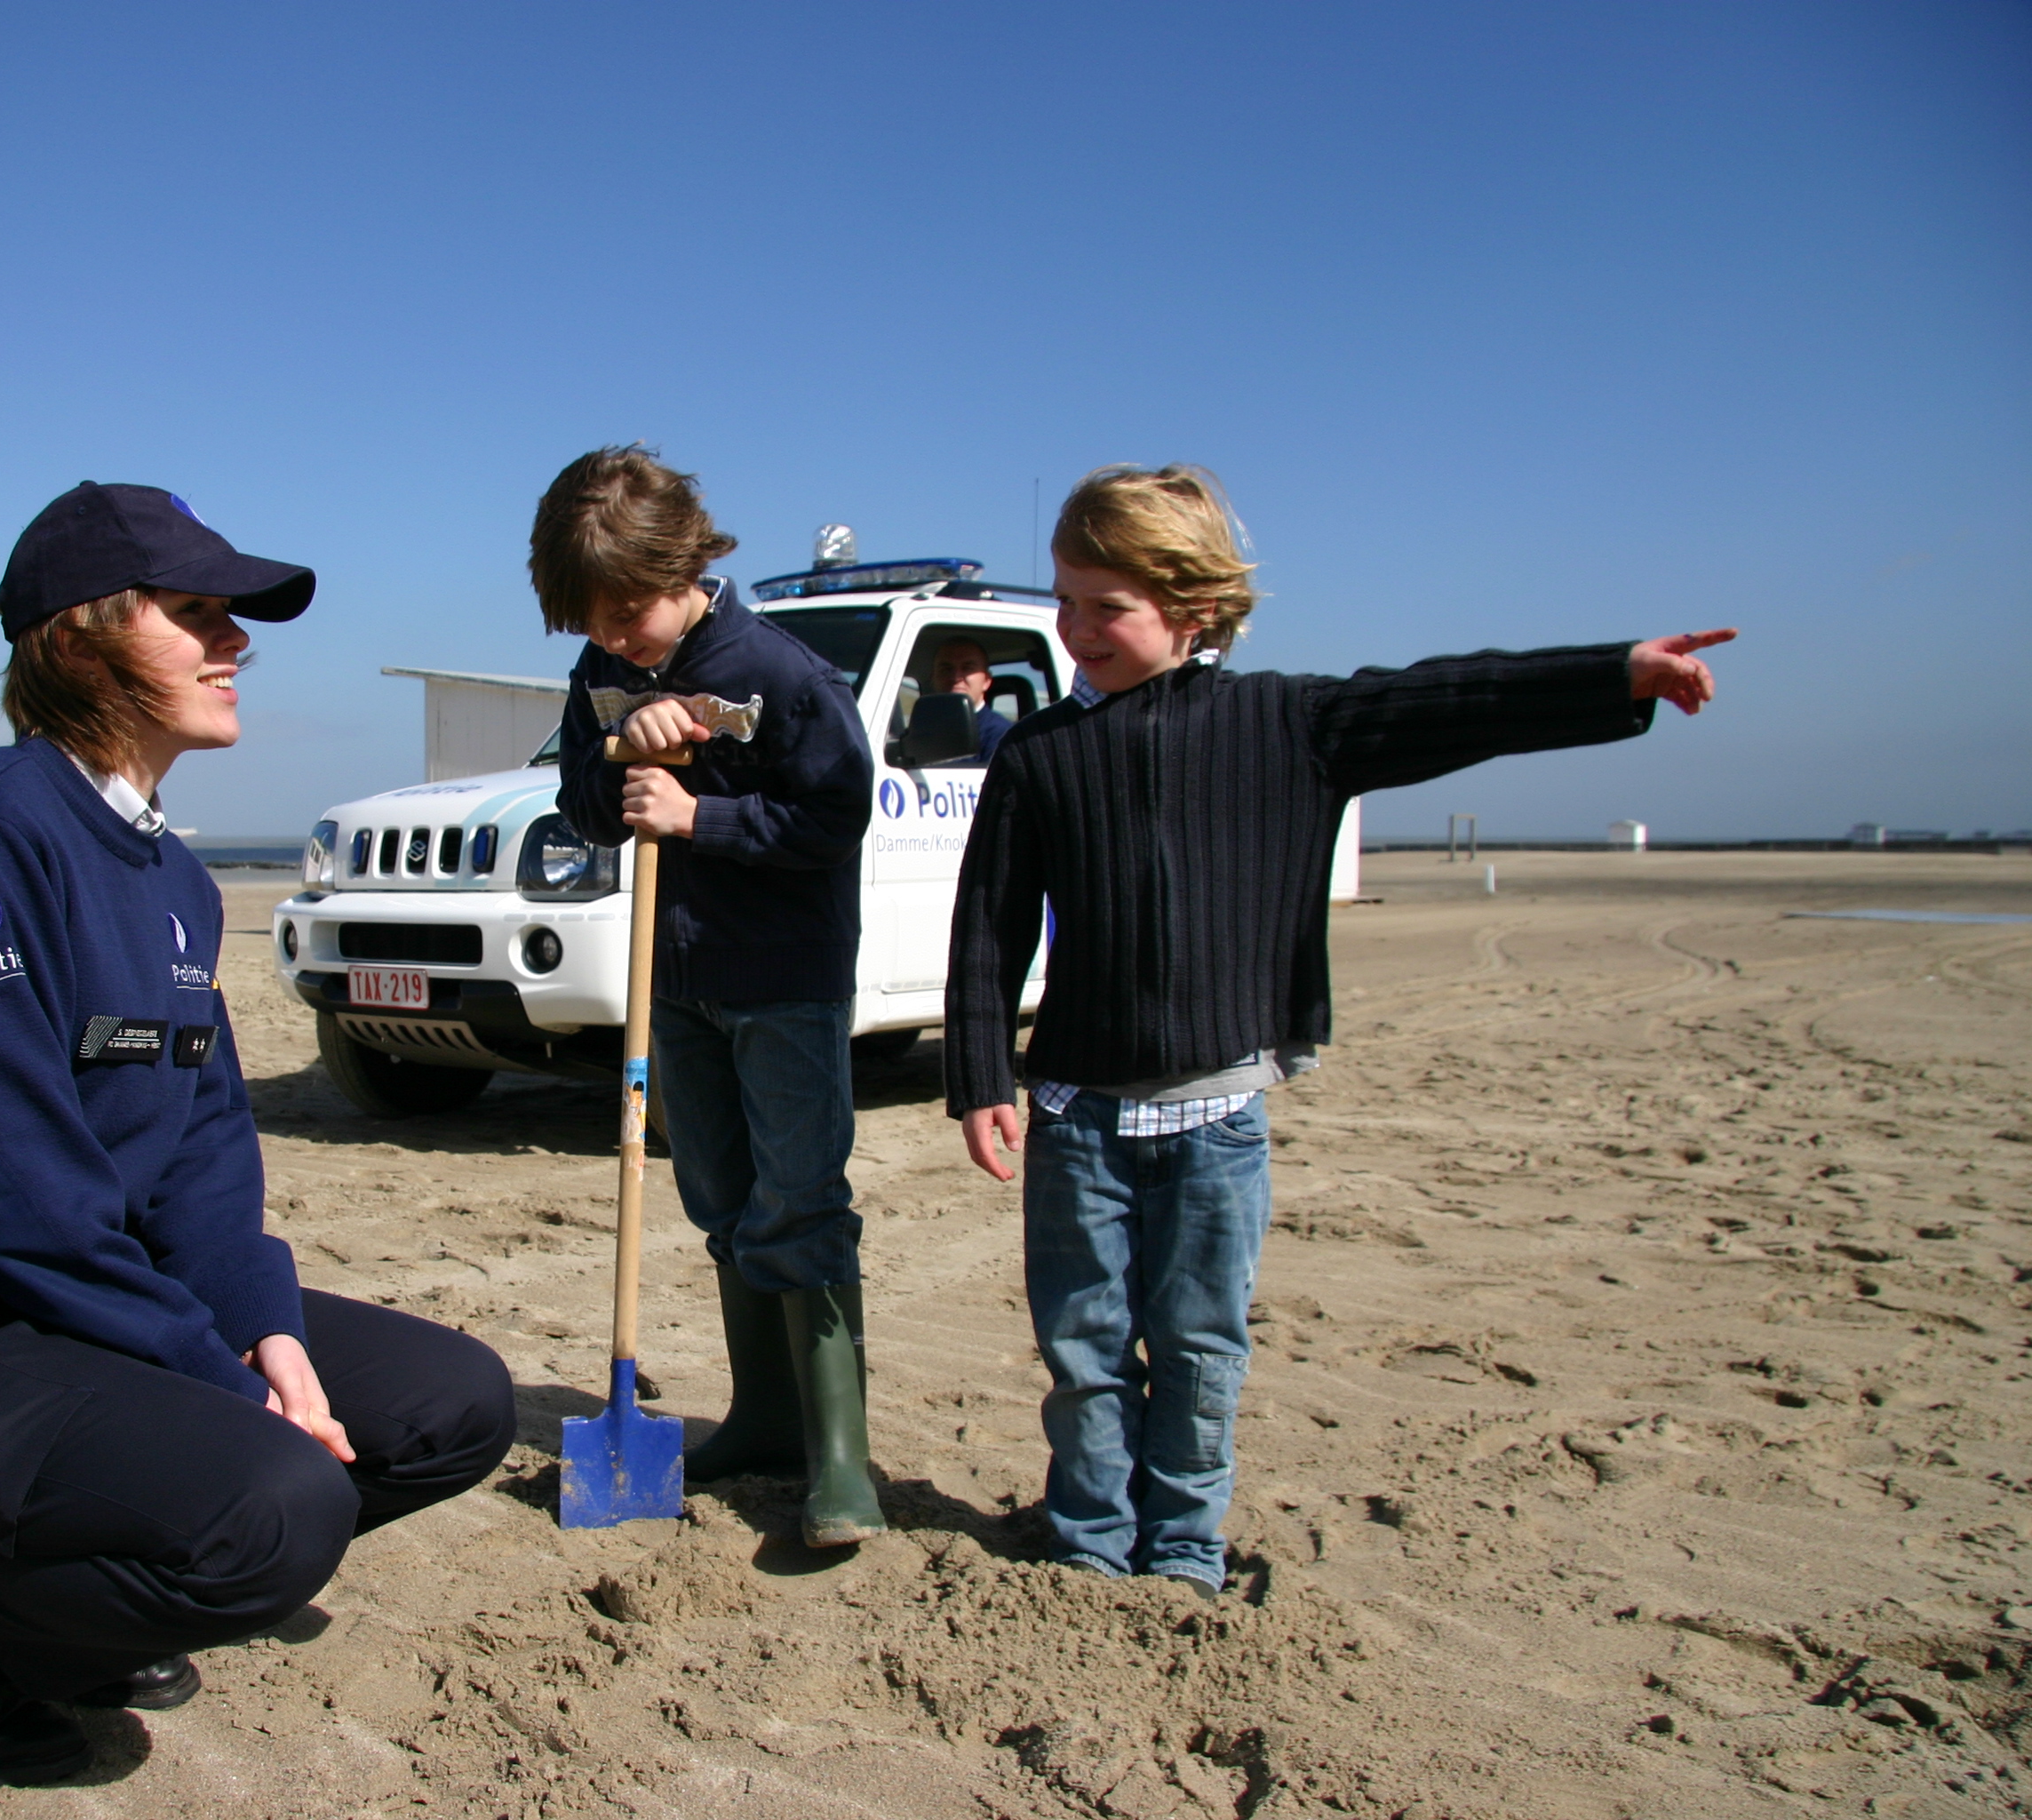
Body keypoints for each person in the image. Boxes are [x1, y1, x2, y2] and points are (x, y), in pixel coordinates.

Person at [0, 482, 515, 1785]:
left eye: (232, 617)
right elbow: (25, 1206)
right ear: (78, 640)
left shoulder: (172, 875)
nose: (235, 644)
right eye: (194, 615)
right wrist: (228, 1389)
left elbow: (202, 1148)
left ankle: (85, 1573)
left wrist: (268, 1331)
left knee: (451, 1407)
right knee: (275, 1508)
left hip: (86, 1309)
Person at [945, 463, 1734, 1596]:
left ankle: (1180, 1550)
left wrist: (1617, 675)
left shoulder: (1290, 723)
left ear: (1195, 606)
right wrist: (980, 1073)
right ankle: (1087, 1542)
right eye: (1065, 601)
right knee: (1083, 1354)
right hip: (1078, 1123)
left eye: (1105, 606)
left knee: (1204, 1352)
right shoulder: (1038, 753)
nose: (1075, 631)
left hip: (1219, 1125)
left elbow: (1455, 698)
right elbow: (990, 926)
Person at [530, 446, 884, 1547]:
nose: (615, 637)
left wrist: (701, 820)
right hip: (673, 986)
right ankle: (768, 1418)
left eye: (630, 611)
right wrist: (612, 756)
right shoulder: (603, 670)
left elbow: (837, 818)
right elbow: (586, 807)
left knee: (800, 1199)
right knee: (721, 1200)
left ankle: (840, 1460)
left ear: (687, 563)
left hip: (782, 983)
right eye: (591, 622)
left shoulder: (778, 672)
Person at [931, 635, 1014, 762]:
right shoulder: (923, 731)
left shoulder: (1001, 734)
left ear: (987, 680)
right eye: (946, 669)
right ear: (933, 678)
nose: (955, 677)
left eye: (967, 669)